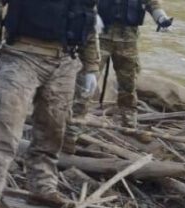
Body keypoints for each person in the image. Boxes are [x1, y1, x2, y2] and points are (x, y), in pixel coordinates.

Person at [0, 0, 101, 208]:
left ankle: (42, 186)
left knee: (52, 131)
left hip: (65, 61)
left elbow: (88, 16)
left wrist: (91, 67)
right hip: (21, 56)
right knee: (3, 126)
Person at [70, 0, 174, 135]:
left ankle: (129, 125)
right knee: (85, 84)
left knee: (128, 85)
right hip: (98, 38)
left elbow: (152, 3)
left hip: (128, 40)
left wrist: (161, 18)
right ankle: (73, 129)